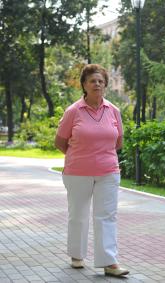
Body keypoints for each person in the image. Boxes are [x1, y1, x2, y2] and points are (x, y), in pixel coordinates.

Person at [54, 64, 129, 277]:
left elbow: (118, 141)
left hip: (108, 171)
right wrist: (80, 156)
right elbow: (60, 142)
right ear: (84, 85)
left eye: (100, 81)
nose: (97, 84)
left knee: (106, 215)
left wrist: (100, 156)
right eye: (92, 81)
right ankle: (77, 255)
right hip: (77, 172)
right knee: (78, 215)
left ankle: (109, 262)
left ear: (105, 85)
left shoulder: (113, 110)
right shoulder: (73, 111)